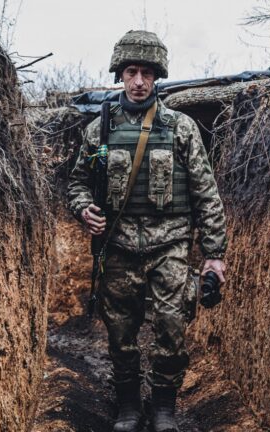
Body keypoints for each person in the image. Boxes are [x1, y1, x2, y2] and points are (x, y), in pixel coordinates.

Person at [67, 30, 227, 432]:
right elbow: (77, 183)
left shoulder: (181, 128)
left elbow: (206, 193)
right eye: (131, 72)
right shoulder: (98, 131)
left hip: (170, 246)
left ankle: (163, 408)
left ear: (158, 77)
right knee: (120, 335)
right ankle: (127, 407)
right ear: (120, 74)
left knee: (171, 331)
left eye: (147, 73)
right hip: (118, 248)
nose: (139, 81)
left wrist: (213, 255)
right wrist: (84, 208)